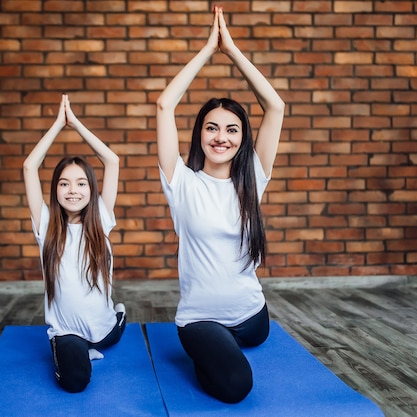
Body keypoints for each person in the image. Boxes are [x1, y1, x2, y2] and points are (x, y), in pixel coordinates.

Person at [156, 6, 285, 403]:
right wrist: (208, 50)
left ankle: (224, 345)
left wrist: (232, 50)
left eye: (232, 129)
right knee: (236, 387)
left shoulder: (253, 179)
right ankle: (208, 350)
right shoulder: (180, 182)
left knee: (256, 335)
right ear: (200, 134)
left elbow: (276, 107)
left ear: (243, 139)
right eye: (212, 127)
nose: (221, 137)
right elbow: (164, 105)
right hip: (201, 320)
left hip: (252, 317)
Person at [23, 94, 126, 393]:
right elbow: (30, 167)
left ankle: (119, 312)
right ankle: (73, 352)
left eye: (81, 183)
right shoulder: (46, 225)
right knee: (76, 382)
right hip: (68, 332)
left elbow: (112, 160)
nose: (73, 190)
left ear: (91, 190)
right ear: (54, 189)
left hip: (105, 330)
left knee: (119, 327)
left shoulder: (102, 219)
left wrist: (76, 123)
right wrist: (58, 125)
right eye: (64, 183)